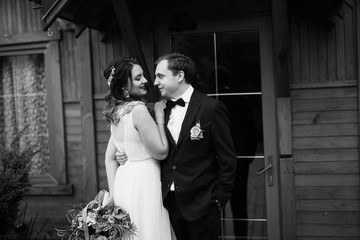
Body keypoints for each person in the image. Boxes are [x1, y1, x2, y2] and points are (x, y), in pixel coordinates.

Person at [154, 52, 237, 240]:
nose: (155, 82)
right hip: (168, 202)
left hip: (202, 203)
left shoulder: (211, 108)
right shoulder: (160, 111)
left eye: (160, 76)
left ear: (180, 76)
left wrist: (218, 199)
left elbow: (227, 158)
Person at [102, 57, 175, 240]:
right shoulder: (138, 110)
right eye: (138, 78)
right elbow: (161, 152)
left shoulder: (117, 111)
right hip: (145, 181)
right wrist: (159, 116)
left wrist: (112, 193)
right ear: (124, 87)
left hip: (124, 183)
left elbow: (110, 158)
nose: (145, 81)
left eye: (143, 76)